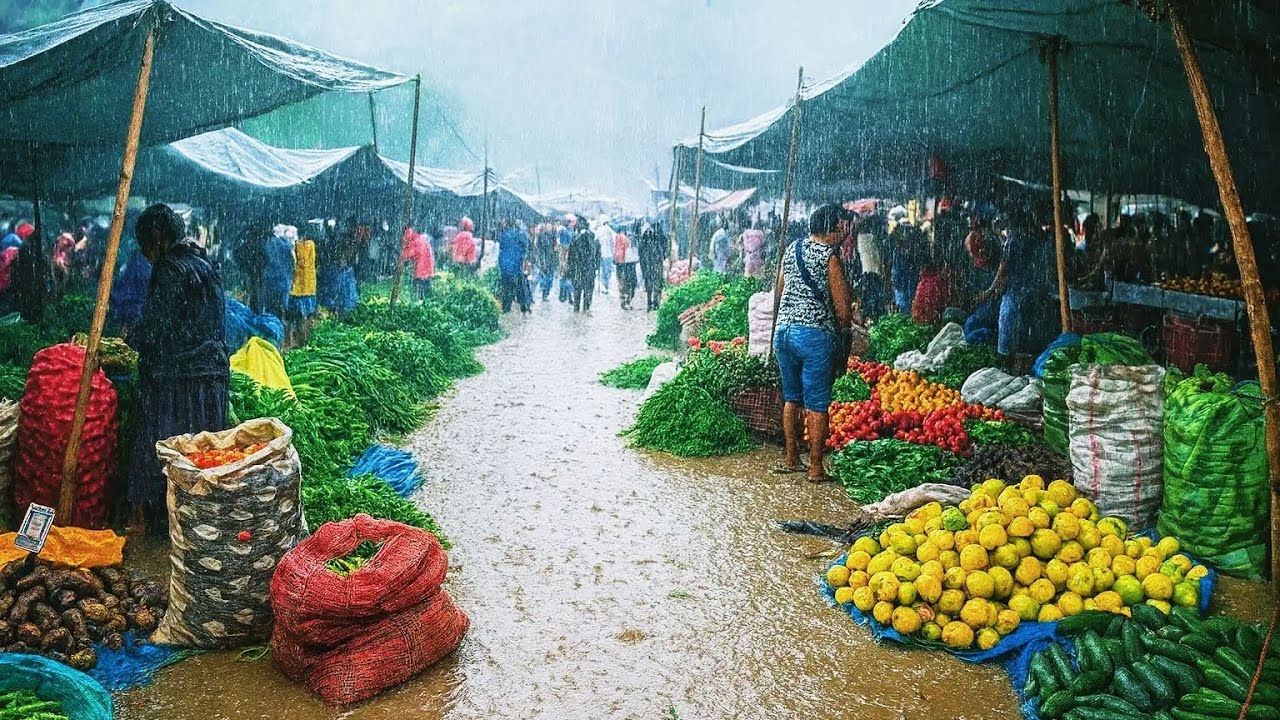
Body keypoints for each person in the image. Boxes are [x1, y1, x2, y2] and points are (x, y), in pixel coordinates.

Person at [126, 204, 229, 538]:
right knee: (202, 451)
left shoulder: (170, 267)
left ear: (157, 237)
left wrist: (130, 341)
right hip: (211, 375)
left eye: (144, 244)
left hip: (178, 379)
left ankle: (154, 521)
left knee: (162, 447)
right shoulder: (204, 262)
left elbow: (157, 324)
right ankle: (198, 521)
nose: (145, 254)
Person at [772, 204, 853, 483]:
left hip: (783, 333)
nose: (846, 231)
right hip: (813, 335)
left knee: (791, 397)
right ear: (834, 227)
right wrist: (844, 332)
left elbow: (779, 293)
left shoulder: (791, 249)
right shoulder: (829, 256)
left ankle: (791, 458)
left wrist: (785, 319)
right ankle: (816, 468)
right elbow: (842, 308)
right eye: (843, 225)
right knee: (817, 402)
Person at [976, 202, 1057, 371]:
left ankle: (1010, 369)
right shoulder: (1038, 238)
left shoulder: (1014, 240)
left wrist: (989, 291)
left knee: (1009, 341)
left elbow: (1003, 269)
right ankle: (1024, 370)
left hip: (1016, 295)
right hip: (1035, 294)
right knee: (1027, 342)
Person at [289, 228, 318, 348]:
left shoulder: (298, 246)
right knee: (308, 315)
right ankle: (307, 340)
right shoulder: (312, 244)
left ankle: (301, 340)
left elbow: (299, 263)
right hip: (310, 285)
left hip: (299, 288)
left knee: (300, 316)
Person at [497, 219, 531, 314]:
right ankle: (524, 308)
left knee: (507, 289)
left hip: (505, 267)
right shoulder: (521, 235)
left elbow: (501, 249)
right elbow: (526, 250)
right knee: (520, 287)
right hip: (516, 267)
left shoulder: (504, 235)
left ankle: (506, 310)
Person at [568, 218, 601, 313]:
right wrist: (596, 266)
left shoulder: (575, 238)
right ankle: (585, 310)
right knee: (587, 291)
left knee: (578, 292)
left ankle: (578, 311)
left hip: (579, 269)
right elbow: (597, 254)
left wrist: (571, 268)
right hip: (587, 269)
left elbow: (570, 257)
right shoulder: (593, 238)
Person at [400, 226, 435, 301]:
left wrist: (401, 256)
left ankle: (419, 301)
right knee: (426, 288)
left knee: (418, 289)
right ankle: (427, 301)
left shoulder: (414, 242)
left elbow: (406, 255)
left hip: (420, 270)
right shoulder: (422, 238)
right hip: (429, 268)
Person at [638, 221, 667, 311]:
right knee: (656, 283)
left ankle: (650, 302)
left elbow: (641, 253)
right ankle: (655, 302)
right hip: (655, 264)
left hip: (648, 265)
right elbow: (664, 250)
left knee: (650, 284)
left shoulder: (645, 239)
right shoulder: (659, 237)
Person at [534, 223, 558, 302]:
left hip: (548, 261)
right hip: (547, 261)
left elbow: (538, 248)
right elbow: (539, 249)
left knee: (546, 278)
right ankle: (544, 293)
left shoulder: (551, 236)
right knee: (546, 278)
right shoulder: (542, 236)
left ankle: (544, 293)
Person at [594, 215, 614, 295]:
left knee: (602, 270)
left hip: (601, 254)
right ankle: (606, 286)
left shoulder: (598, 230)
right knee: (607, 271)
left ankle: (604, 286)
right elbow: (613, 242)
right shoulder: (610, 230)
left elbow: (595, 241)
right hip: (608, 254)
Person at [558, 219, 575, 303]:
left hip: (564, 256)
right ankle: (567, 296)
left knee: (564, 276)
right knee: (566, 275)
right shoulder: (566, 232)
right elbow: (565, 246)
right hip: (566, 256)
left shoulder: (565, 231)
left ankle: (564, 295)